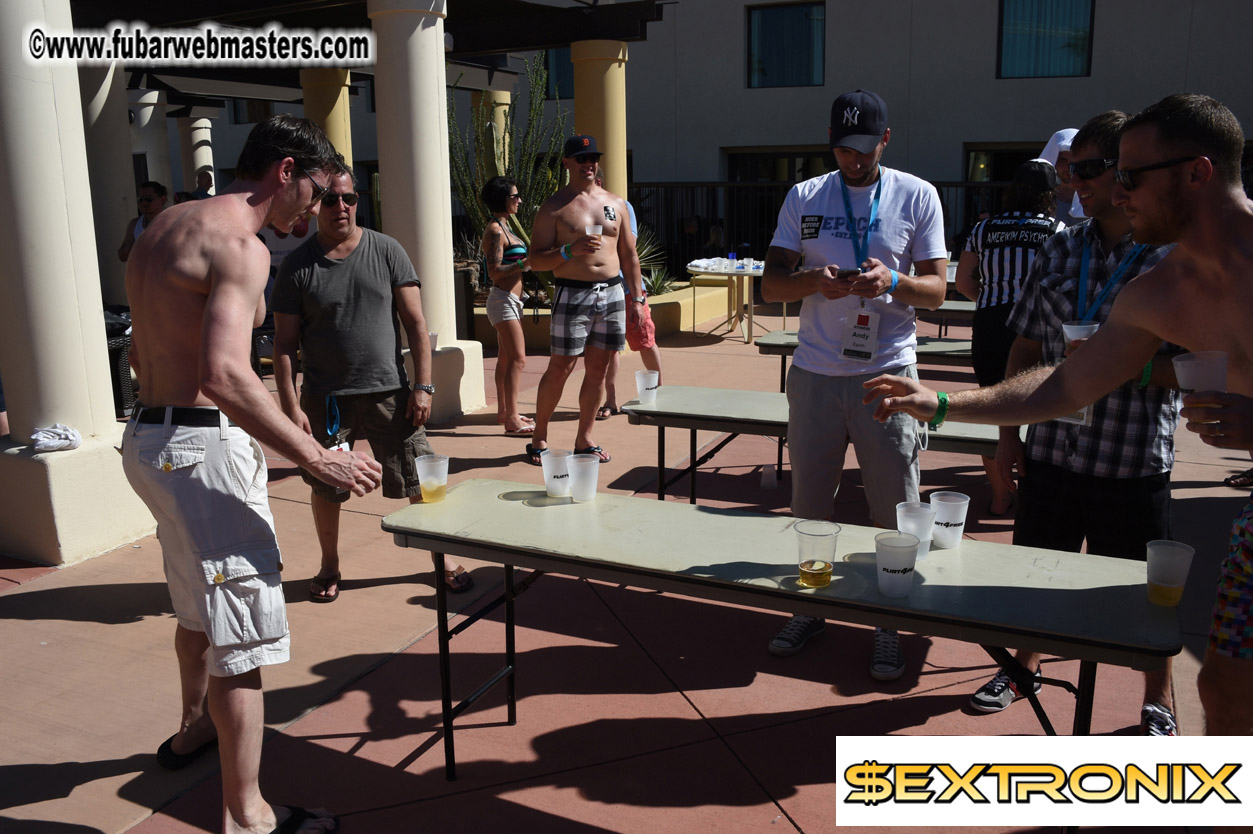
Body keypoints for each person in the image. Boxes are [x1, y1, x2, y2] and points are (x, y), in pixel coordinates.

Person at [864, 93, 1253, 736]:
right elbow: (1067, 383)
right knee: (1224, 689)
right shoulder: (1162, 291)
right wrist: (943, 405)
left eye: (1128, 175)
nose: (1113, 191)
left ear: (1197, 173)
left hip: (1133, 466)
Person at [121, 113, 377, 834]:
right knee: (243, 637)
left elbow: (148, 352)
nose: (322, 209)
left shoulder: (169, 221)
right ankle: (248, 816)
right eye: (321, 192)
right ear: (286, 172)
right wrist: (314, 453)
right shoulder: (241, 245)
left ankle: (192, 727)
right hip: (200, 452)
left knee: (195, 608)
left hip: (148, 439)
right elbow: (226, 372)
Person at [967, 112, 1185, 733]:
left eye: (1088, 169)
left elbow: (1200, 369)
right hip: (1055, 454)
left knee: (1146, 597)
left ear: (1125, 172)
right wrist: (1007, 439)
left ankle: (1157, 698)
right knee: (1035, 577)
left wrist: (1129, 368)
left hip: (1132, 462)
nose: (1074, 182)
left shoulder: (1168, 257)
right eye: (1069, 169)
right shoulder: (1060, 246)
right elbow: (1024, 350)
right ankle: (1023, 666)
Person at [759, 89, 947, 680]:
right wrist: (812, 280)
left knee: (892, 505)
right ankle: (812, 604)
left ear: (884, 141)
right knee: (811, 503)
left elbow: (940, 289)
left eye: (863, 150)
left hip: (886, 372)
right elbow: (771, 284)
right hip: (815, 373)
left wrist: (893, 280)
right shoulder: (805, 194)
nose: (851, 160)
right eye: (842, 149)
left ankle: (888, 620)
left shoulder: (918, 195)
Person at [272, 164, 474, 602]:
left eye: (349, 197)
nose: (341, 206)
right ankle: (329, 564)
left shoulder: (386, 250)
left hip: (389, 392)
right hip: (325, 399)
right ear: (314, 204)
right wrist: (290, 409)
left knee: (420, 478)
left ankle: (442, 558)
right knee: (325, 486)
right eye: (330, 199)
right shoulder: (296, 266)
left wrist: (424, 386)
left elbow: (416, 324)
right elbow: (285, 345)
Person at [524, 135, 647, 465]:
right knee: (561, 367)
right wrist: (568, 250)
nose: (588, 163)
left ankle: (585, 438)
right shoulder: (554, 207)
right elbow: (536, 260)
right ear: (567, 163)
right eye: (581, 158)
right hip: (572, 293)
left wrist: (638, 299)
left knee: (598, 370)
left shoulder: (615, 203)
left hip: (612, 293)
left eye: (593, 157)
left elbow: (630, 256)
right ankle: (539, 438)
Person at [954, 160, 1065, 516]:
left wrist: (989, 302)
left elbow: (963, 283)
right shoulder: (1058, 229)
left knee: (993, 405)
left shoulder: (983, 229)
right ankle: (1037, 489)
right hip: (1039, 328)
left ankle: (1001, 493)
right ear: (1050, 195)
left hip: (990, 323)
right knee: (1043, 406)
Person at [594, 165, 662, 418]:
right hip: (600, 288)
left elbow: (629, 245)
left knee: (644, 340)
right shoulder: (577, 209)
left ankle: (659, 393)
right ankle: (610, 401)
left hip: (627, 287)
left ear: (598, 183)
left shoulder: (620, 206)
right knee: (608, 347)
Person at [479, 176, 535, 436]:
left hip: (512, 301)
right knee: (518, 359)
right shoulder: (494, 230)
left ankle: (504, 411)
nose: (519, 200)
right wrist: (524, 264)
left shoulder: (505, 226)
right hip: (502, 300)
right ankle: (512, 419)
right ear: (503, 199)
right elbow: (493, 271)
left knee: (505, 359)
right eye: (515, 196)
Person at [1038, 128, 1085, 227]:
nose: (1068, 167)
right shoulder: (1039, 198)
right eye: (1063, 160)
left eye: (1074, 161)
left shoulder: (1093, 196)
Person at [117, 180, 167, 262]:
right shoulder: (135, 224)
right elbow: (122, 256)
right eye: (140, 199)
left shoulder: (172, 222)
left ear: (162, 200)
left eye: (149, 199)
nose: (144, 203)